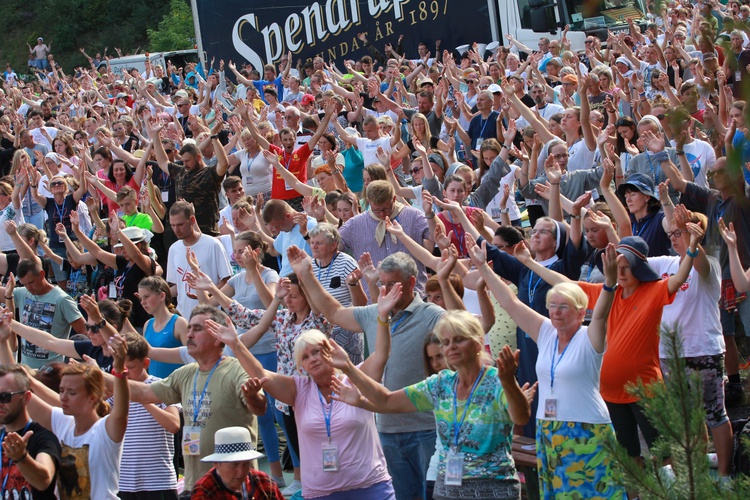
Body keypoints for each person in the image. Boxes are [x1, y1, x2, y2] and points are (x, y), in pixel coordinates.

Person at [207, 280, 400, 498]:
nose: (313, 359)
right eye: (305, 357)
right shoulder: (298, 389)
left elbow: (382, 354)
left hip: (370, 488)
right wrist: (235, 344)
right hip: (320, 493)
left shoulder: (354, 377)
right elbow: (261, 374)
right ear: (300, 366)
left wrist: (383, 319)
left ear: (330, 351)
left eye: (317, 352)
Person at [473, 238, 625, 498]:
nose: (555, 312)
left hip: (586, 429)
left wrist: (609, 284)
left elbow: (600, 314)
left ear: (580, 312)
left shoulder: (590, 336)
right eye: (552, 306)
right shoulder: (545, 332)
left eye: (563, 307)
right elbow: (511, 303)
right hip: (549, 430)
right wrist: (484, 269)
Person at [287, 246, 443, 499]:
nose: (385, 290)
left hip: (425, 426)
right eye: (382, 283)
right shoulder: (374, 313)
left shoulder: (433, 316)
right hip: (387, 428)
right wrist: (307, 274)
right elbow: (334, 312)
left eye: (393, 284)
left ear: (412, 282)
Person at [331, 308, 530, 499]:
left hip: (493, 489)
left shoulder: (497, 380)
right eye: (445, 342)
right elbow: (387, 400)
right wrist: (349, 368)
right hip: (448, 490)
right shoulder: (441, 383)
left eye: (458, 340)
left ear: (478, 342)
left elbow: (521, 417)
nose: (450, 347)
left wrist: (509, 382)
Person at [116, 305, 267, 494]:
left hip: (233, 486)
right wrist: (99, 378)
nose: (189, 335)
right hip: (196, 485)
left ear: (217, 336)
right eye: (189, 329)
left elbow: (260, 408)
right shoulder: (186, 373)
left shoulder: (236, 369)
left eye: (197, 329)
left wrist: (252, 396)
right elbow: (144, 393)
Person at [0, 312, 130, 500]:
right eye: (61, 391)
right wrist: (3, 340)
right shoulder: (63, 423)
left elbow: (121, 411)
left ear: (93, 397)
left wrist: (119, 369)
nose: (63, 397)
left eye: (72, 392)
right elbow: (16, 386)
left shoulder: (105, 430)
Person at [2, 259, 85, 369]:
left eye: (31, 282)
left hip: (52, 372)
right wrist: (9, 292)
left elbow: (84, 331)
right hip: (27, 370)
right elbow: (6, 294)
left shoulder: (62, 299)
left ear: (42, 274)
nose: (29, 287)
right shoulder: (23, 293)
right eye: (25, 284)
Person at [0, 365, 60, 500]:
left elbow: (44, 480)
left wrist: (21, 457)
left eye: (4, 397)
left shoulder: (44, 436)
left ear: (26, 397)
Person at [166, 201, 232, 318]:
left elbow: (227, 281)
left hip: (209, 315)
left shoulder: (213, 244)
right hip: (183, 316)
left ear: (192, 220)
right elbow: (179, 286)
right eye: (173, 225)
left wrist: (207, 295)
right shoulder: (174, 249)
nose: (176, 230)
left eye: (180, 224)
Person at [191, 427, 283, 499]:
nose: (241, 472)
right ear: (216, 463)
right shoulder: (205, 489)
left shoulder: (263, 481)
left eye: (246, 464)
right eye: (234, 464)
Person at [140, 276, 188, 378]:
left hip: (176, 389)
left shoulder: (179, 323)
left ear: (162, 296)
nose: (142, 302)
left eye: (146, 297)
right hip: (154, 389)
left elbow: (193, 359)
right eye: (141, 298)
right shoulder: (147, 324)